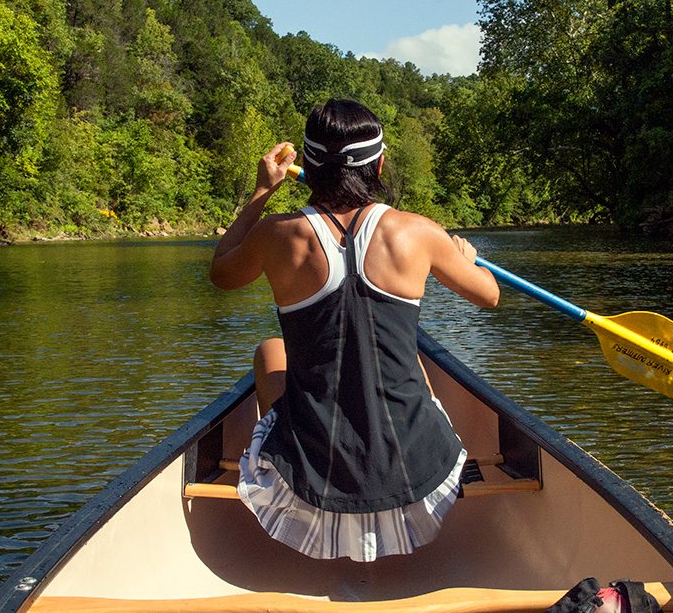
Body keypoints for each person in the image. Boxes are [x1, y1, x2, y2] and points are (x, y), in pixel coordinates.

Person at [210, 98, 499, 562]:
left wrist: (262, 191)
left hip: (311, 475)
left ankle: (290, 472)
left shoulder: (276, 235)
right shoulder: (418, 232)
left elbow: (221, 272)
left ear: (306, 165)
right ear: (380, 163)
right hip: (415, 471)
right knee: (411, 352)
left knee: (270, 350)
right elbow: (489, 295)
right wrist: (461, 258)